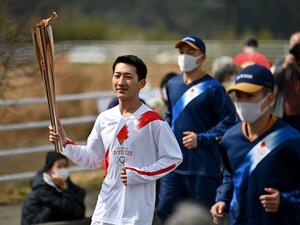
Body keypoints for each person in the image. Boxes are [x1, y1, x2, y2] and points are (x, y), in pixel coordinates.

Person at [49, 55, 182, 225]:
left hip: (136, 213)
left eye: (128, 77)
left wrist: (141, 174)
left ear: (141, 83)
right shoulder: (104, 119)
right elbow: (91, 159)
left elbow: (173, 157)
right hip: (105, 208)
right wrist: (64, 143)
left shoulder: (153, 121)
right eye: (117, 75)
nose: (121, 82)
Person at [157, 35, 238, 223]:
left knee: (202, 217)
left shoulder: (214, 88)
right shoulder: (172, 84)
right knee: (164, 210)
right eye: (182, 52)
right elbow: (171, 114)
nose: (184, 56)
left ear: (202, 58)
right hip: (174, 165)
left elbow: (229, 121)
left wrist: (201, 138)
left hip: (202, 167)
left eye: (190, 52)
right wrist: (164, 130)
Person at [210, 64, 300, 225]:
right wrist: (222, 199)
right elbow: (231, 174)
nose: (242, 102)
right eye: (238, 95)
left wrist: (285, 200)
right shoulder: (230, 138)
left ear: (270, 99)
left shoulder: (291, 140)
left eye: (249, 96)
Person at [21, 151, 86, 225]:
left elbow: (79, 209)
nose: (63, 170)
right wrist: (64, 189)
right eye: (59, 167)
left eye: (65, 166)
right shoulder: (41, 188)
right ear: (49, 169)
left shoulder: (66, 182)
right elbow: (67, 209)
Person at [271, 32, 300, 131]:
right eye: (296, 45)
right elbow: (273, 81)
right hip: (284, 114)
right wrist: (285, 66)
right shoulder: (282, 61)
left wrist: (297, 66)